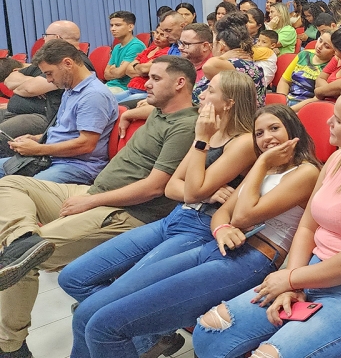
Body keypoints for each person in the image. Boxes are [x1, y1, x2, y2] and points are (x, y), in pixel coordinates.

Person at [192, 86, 341, 358]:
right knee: (209, 331)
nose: (328, 122)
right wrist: (294, 283)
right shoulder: (338, 157)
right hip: (314, 272)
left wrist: (290, 277)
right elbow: (308, 226)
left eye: (338, 119)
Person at [0, 57, 199, 358]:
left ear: (180, 83)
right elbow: (147, 107)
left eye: (155, 79)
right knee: (10, 185)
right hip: (94, 192)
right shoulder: (161, 110)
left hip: (123, 212)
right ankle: (21, 238)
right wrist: (131, 113)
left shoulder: (186, 126)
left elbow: (155, 187)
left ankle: (10, 347)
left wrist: (92, 201)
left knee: (19, 263)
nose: (145, 82)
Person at [58, 70, 263, 358]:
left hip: (199, 228)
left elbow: (190, 190)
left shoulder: (241, 142)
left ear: (229, 102)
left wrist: (199, 167)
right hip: (174, 218)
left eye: (210, 90)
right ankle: (149, 332)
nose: (201, 94)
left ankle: (131, 328)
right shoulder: (209, 132)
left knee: (88, 316)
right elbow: (172, 188)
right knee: (72, 278)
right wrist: (205, 188)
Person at [0, 40, 118, 185]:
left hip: (77, 166)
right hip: (55, 158)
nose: (49, 80)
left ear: (68, 63)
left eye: (49, 73)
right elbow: (66, 131)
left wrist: (38, 149)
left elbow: (86, 144)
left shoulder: (93, 95)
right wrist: (37, 138)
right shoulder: (70, 90)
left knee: (17, 187)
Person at [0, 21, 92, 153]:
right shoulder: (51, 60)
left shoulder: (74, 64)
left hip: (43, 116)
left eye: (46, 35)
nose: (43, 39)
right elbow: (10, 78)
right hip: (20, 111)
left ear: (57, 38)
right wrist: (30, 82)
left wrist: (28, 84)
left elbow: (30, 89)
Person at [201, 12, 266, 107]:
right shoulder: (234, 63)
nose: (211, 47)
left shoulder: (238, 65)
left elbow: (207, 66)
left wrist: (222, 57)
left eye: (213, 43)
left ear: (221, 46)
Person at [276, 30, 335, 107]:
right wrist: (281, 103)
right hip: (287, 101)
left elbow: (317, 98)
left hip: (308, 107)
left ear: (335, 52)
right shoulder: (304, 54)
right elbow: (285, 81)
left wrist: (290, 110)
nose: (320, 46)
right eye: (320, 41)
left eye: (326, 46)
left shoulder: (332, 66)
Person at [104, 11, 147, 96]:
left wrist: (113, 70)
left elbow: (120, 73)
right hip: (111, 85)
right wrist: (116, 72)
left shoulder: (136, 46)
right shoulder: (117, 47)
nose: (113, 29)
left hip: (124, 88)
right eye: (111, 25)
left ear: (130, 27)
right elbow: (106, 74)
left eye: (118, 25)